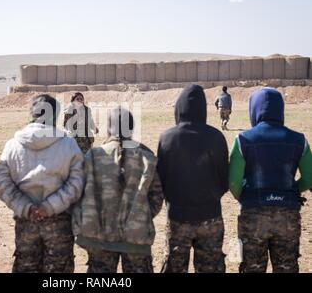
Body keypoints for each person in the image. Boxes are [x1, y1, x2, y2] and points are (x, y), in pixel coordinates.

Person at [0, 94, 84, 273]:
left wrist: (26, 208)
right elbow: (76, 183)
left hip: (26, 222)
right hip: (59, 223)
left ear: (32, 113)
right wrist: (49, 207)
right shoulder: (68, 144)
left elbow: (3, 185)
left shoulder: (12, 146)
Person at [229, 88, 312, 273]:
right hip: (288, 214)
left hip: (252, 214)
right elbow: (310, 178)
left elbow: (233, 182)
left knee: (251, 266)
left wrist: (246, 196)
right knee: (287, 267)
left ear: (254, 109)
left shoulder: (242, 140)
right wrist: (293, 191)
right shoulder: (300, 140)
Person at [72, 107, 164, 273]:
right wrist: (140, 215)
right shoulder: (146, 156)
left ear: (109, 127)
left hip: (99, 237)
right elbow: (157, 197)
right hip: (136, 237)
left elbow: (79, 195)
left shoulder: (93, 156)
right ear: (131, 128)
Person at [157, 84, 229, 273]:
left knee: (175, 266)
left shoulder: (167, 138)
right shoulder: (216, 137)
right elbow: (224, 179)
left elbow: (161, 178)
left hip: (178, 216)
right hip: (211, 215)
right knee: (211, 267)